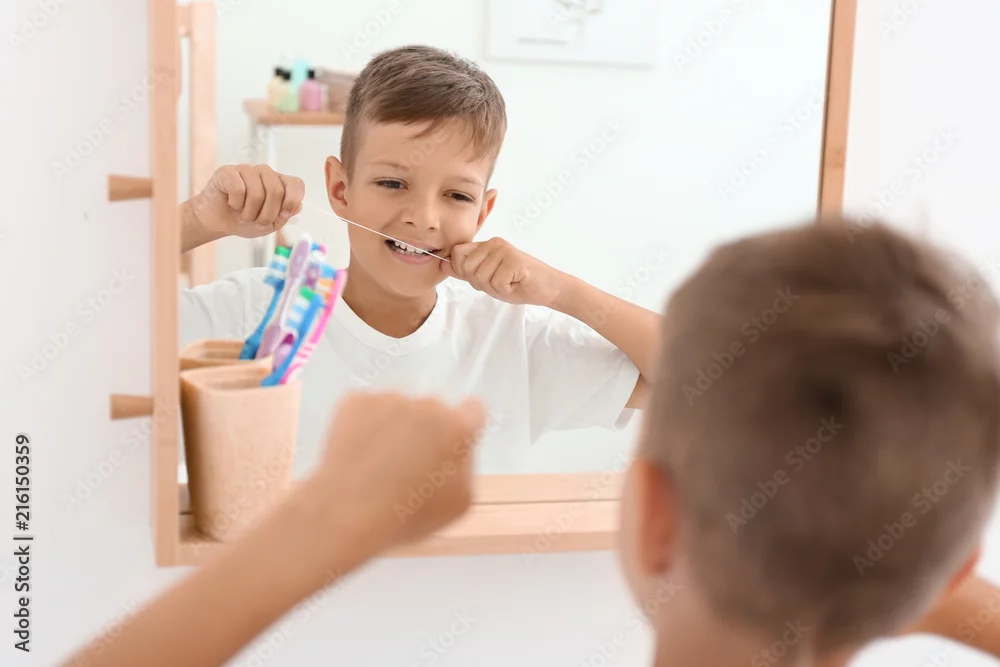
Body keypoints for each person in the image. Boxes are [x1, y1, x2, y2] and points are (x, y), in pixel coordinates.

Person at [66, 219, 1000, 667]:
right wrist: (891, 577)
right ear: (954, 568)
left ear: (654, 516)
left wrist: (327, 523)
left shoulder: (513, 340)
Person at [180, 45, 654, 476]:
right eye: (393, 183)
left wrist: (561, 291)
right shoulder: (255, 311)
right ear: (340, 190)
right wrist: (198, 220)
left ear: (482, 212)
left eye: (457, 195)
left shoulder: (511, 339)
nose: (424, 218)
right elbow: (130, 333)